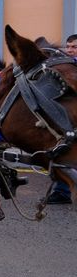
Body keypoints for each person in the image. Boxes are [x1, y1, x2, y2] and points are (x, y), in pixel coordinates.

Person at [47, 34, 77, 204]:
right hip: (67, 120)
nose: (70, 50)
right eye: (68, 46)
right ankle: (61, 191)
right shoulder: (64, 66)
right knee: (63, 151)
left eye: (74, 47)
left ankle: (62, 191)